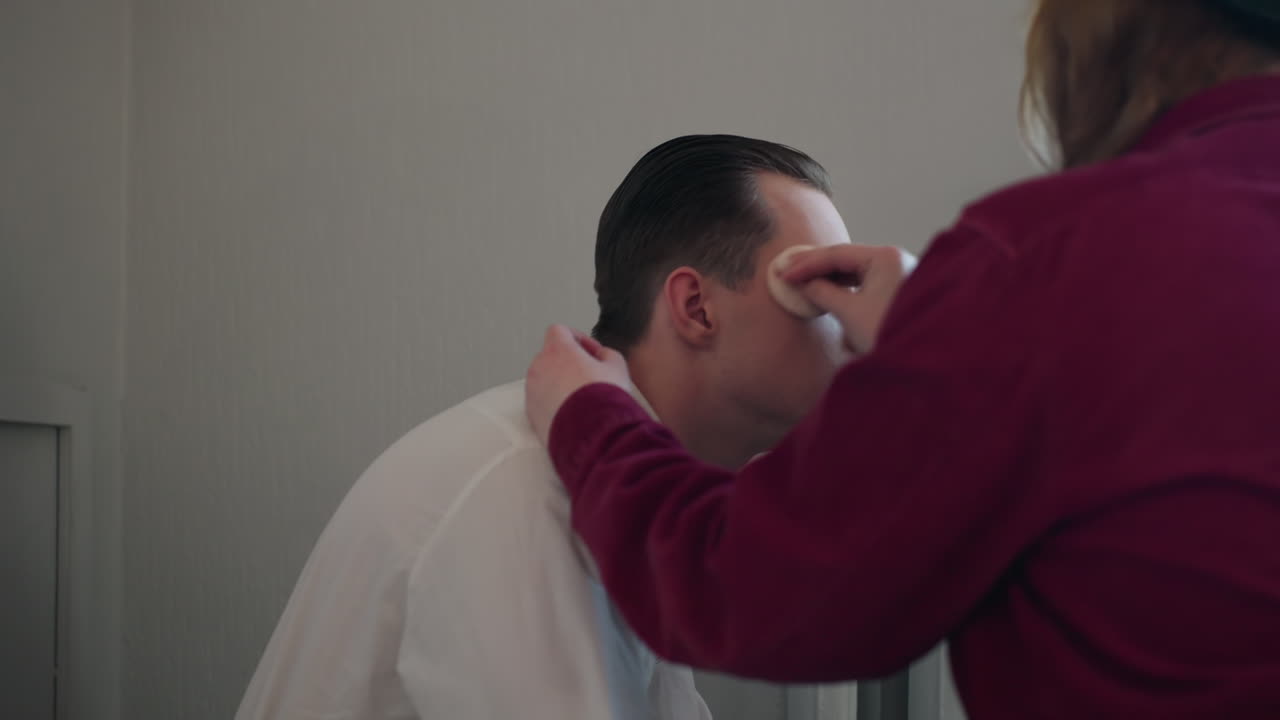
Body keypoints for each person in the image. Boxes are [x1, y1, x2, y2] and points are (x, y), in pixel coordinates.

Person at [523, 1, 1280, 718]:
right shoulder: (514, 490)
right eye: (807, 282)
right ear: (696, 307)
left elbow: (743, 592)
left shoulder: (1043, 264)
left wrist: (596, 428)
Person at [236, 134, 854, 719]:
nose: (856, 327)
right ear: (697, 308)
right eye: (820, 289)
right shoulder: (525, 490)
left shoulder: (638, 506)